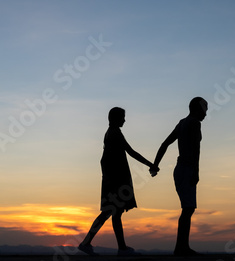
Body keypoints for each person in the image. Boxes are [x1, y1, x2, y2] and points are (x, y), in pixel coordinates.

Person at [78, 107, 158, 256]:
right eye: (123, 117)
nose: (124, 120)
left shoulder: (111, 133)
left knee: (112, 213)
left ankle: (114, 247)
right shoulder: (115, 133)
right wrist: (150, 164)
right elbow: (131, 152)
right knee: (111, 212)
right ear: (115, 118)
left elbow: (103, 160)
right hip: (116, 181)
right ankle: (97, 245)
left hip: (113, 180)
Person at [151, 97, 208, 256]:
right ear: (199, 109)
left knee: (187, 208)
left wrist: (156, 164)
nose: (206, 114)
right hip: (187, 169)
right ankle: (181, 247)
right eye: (205, 110)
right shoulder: (195, 123)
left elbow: (165, 143)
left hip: (179, 169)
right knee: (188, 209)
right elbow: (196, 149)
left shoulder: (182, 123)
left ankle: (181, 246)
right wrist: (196, 172)